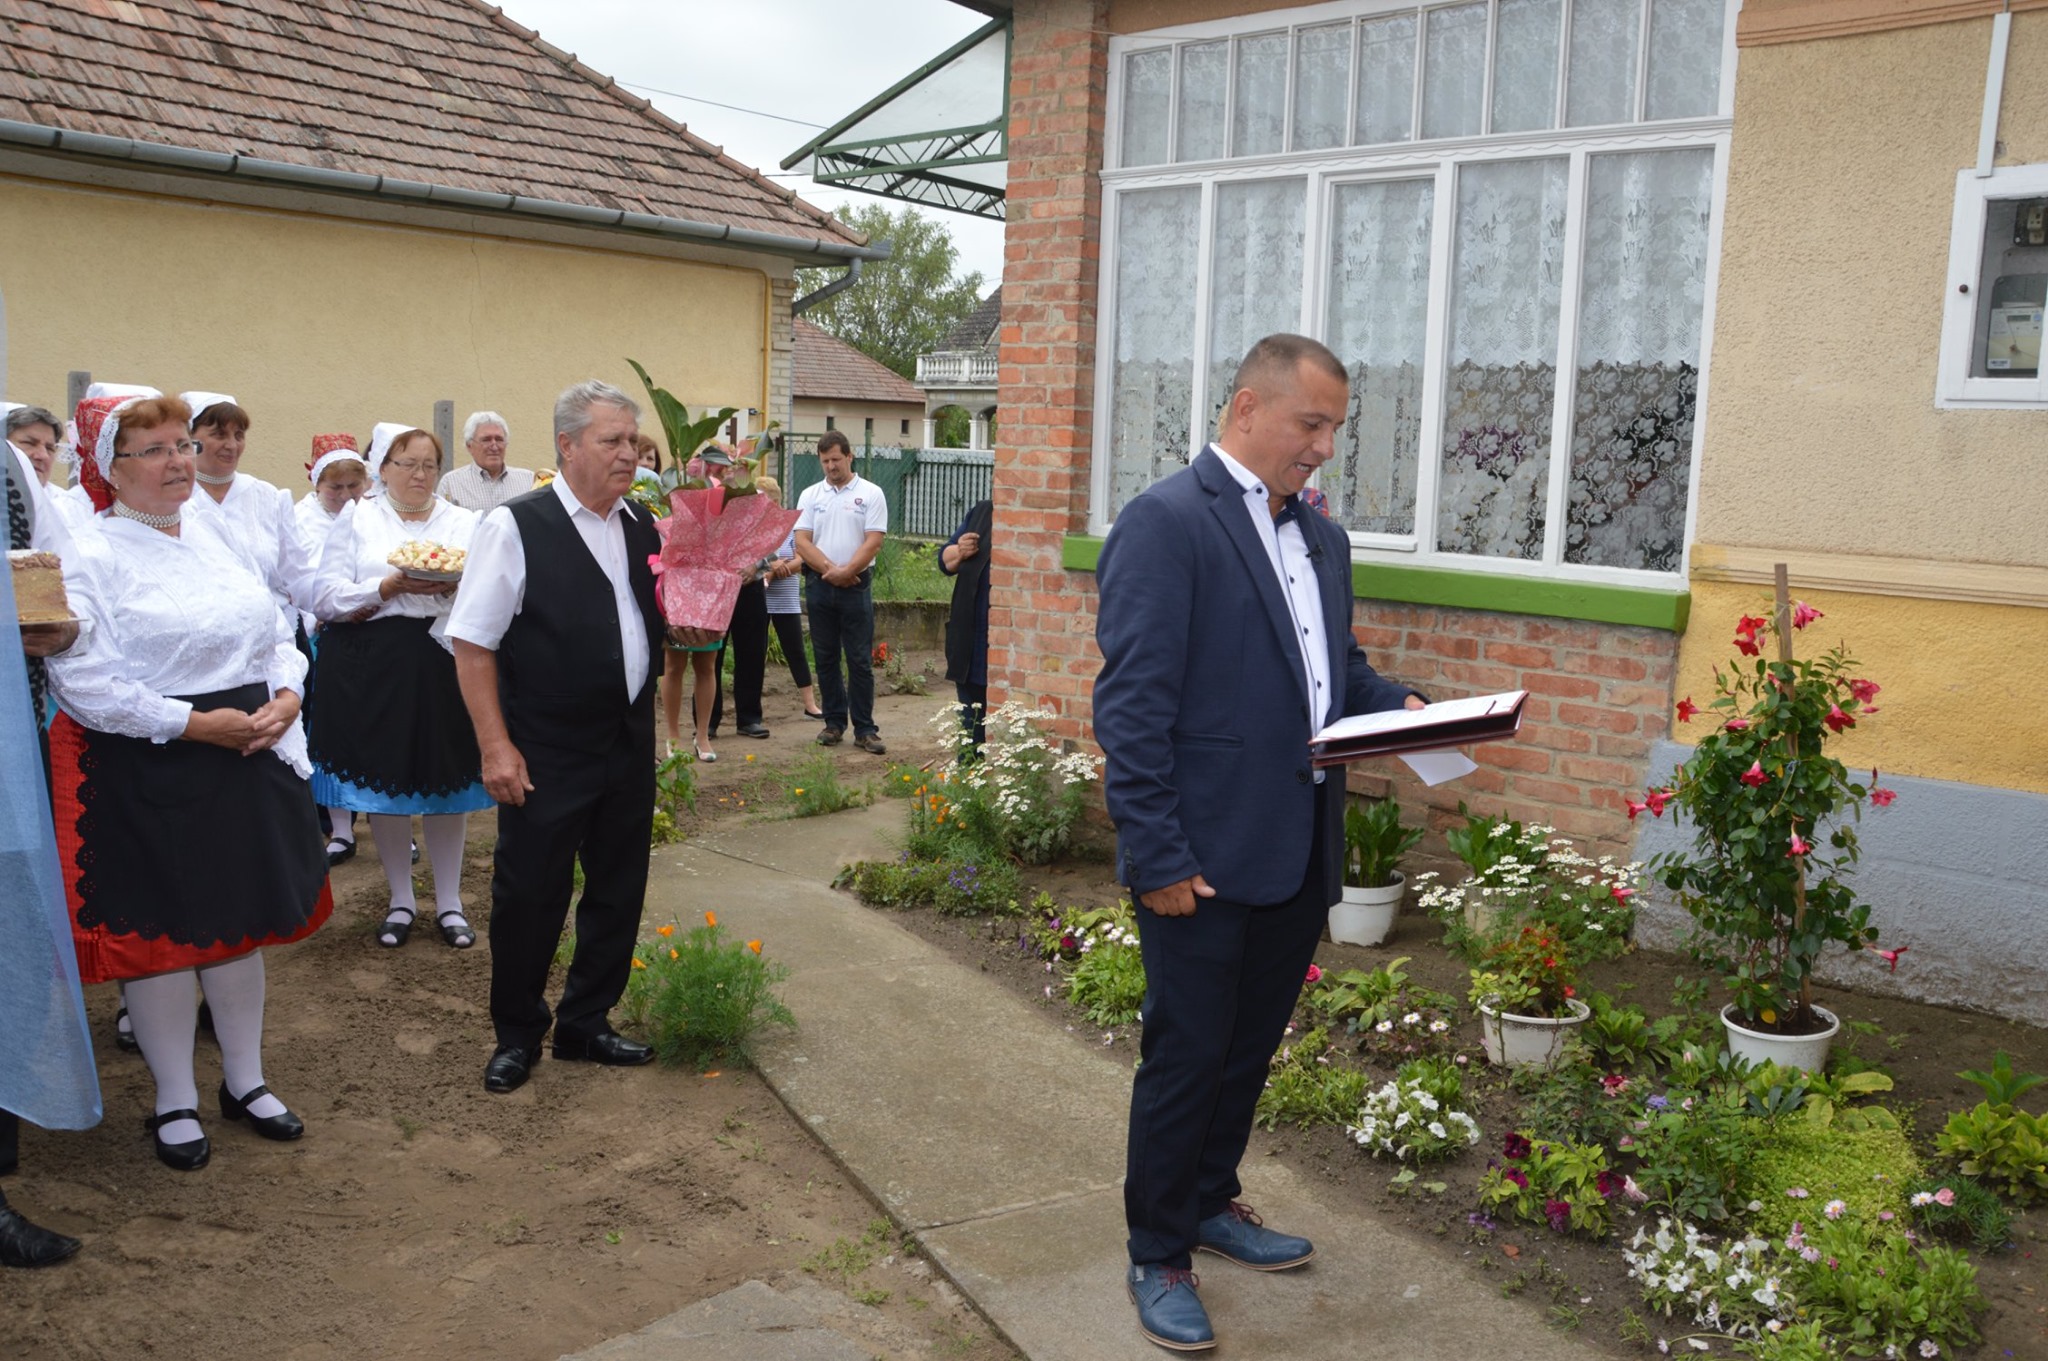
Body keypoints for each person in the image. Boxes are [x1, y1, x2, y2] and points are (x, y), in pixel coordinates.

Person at [1093, 334, 1425, 1352]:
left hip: (1295, 849)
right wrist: (1155, 853)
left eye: (1335, 428)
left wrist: (1407, 708)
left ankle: (1207, 1199)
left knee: (1245, 1049)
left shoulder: (1321, 538)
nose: (1323, 446)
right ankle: (1157, 1248)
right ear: (1247, 408)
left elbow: (1336, 675)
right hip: (1198, 856)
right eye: (1310, 424)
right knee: (1186, 1055)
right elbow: (1132, 707)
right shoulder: (1165, 523)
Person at [47, 395, 331, 1171]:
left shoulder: (212, 532)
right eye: (154, 449)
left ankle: (246, 1079)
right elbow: (84, 681)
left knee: (238, 924)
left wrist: (288, 694)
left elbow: (274, 629)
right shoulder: (91, 551)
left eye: (182, 444)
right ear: (111, 469)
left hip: (249, 747)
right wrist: (194, 724)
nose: (178, 460)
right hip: (154, 760)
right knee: (163, 937)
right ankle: (174, 1096)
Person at [448, 380, 712, 1095]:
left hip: (625, 739)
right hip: (546, 746)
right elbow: (471, 644)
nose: (628, 453)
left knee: (619, 886)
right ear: (567, 446)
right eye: (611, 441)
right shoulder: (515, 526)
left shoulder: (641, 525)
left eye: (631, 440)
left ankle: (586, 1021)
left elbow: (650, 620)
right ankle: (517, 1033)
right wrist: (495, 747)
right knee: (531, 893)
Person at [308, 429, 487, 949]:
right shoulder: (356, 518)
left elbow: (487, 592)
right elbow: (325, 597)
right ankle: (401, 900)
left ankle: (450, 902)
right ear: (382, 469)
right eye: (407, 463)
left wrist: (455, 587)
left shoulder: (464, 522)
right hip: (372, 662)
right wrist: (385, 587)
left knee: (445, 781)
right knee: (386, 785)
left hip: (443, 659)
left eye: (429, 464)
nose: (419, 474)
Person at [1, 416, 95, 1267]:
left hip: (8, 751)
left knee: (12, 954)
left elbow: (52, 579)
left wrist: (61, 628)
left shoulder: (8, 468)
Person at [793, 431, 887, 755]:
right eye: (825, 461)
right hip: (820, 585)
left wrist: (847, 572)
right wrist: (831, 570)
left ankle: (865, 729)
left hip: (856, 585)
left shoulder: (870, 493)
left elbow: (873, 541)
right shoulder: (810, 495)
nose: (831, 466)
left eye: (836, 459)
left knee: (859, 659)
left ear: (849, 456)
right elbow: (801, 541)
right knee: (826, 656)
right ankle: (833, 723)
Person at [663, 445, 730, 761]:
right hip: (679, 589)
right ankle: (672, 736)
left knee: (706, 666)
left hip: (710, 592)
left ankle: (702, 735)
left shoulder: (723, 496)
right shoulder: (673, 491)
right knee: (673, 665)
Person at [757, 476, 821, 722]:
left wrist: (777, 570)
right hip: (758, 599)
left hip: (786, 600)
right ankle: (752, 710)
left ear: (775, 502)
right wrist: (772, 566)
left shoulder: (791, 527)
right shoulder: (751, 528)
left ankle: (810, 705)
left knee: (795, 650)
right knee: (755, 653)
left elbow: (802, 558)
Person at [938, 498, 993, 753]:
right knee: (970, 728)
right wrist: (960, 551)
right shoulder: (982, 511)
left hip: (998, 646)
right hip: (969, 642)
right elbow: (944, 561)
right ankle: (968, 772)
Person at [435, 411, 533, 513]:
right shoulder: (451, 484)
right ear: (469, 446)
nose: (494, 446)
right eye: (486, 440)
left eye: (499, 439)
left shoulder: (528, 480)